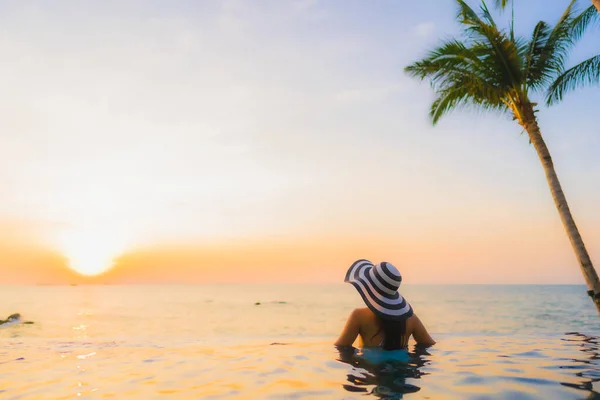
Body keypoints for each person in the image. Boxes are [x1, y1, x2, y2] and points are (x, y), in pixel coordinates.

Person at [335, 259, 435, 349]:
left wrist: (357, 363)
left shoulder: (359, 316)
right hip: (402, 368)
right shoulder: (411, 319)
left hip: (369, 368)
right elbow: (428, 344)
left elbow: (341, 347)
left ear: (369, 287)